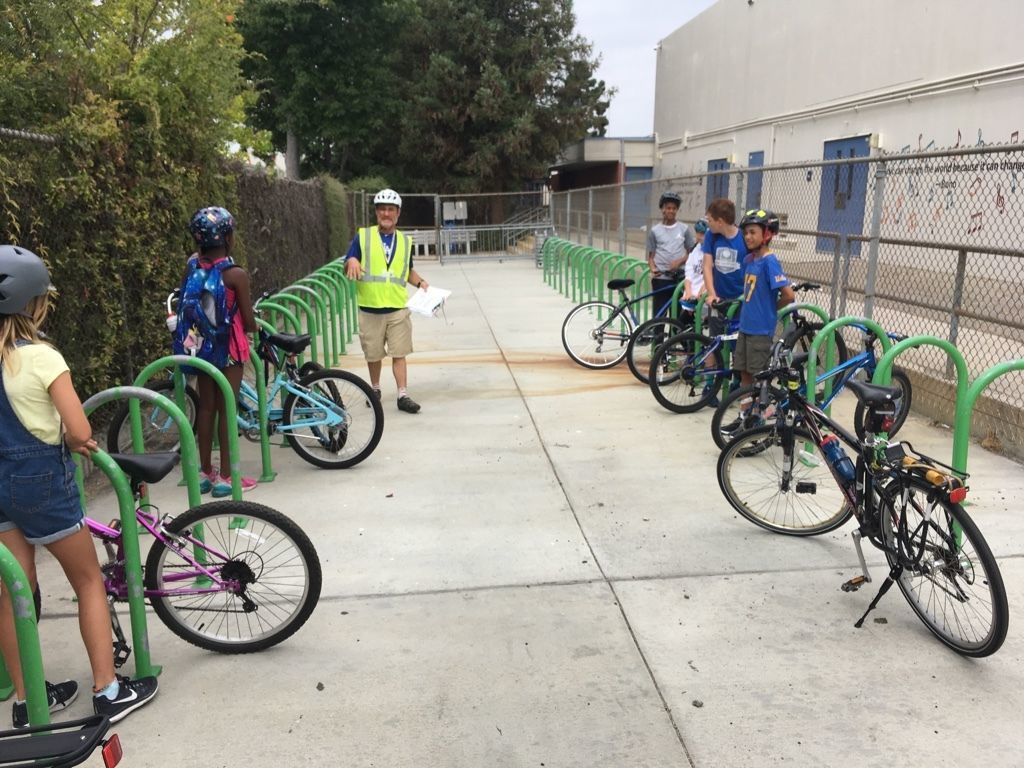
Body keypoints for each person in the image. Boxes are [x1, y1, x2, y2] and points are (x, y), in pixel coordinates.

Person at [0, 244, 158, 727]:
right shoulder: (42, 358)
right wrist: (73, 440)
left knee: (13, 592)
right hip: (41, 482)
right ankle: (108, 690)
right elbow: (80, 429)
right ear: (33, 303)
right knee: (88, 581)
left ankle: (29, 702)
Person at [174, 207, 258, 496]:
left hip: (200, 348)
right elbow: (247, 319)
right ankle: (226, 476)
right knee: (227, 409)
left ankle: (204, 472)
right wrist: (254, 327)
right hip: (229, 349)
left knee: (207, 407)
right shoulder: (236, 275)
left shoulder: (192, 266)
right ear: (228, 238)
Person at [344, 189, 429, 414]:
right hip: (370, 307)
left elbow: (406, 271)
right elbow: (350, 259)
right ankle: (375, 389)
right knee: (373, 354)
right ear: (376, 212)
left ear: (398, 213)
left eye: (391, 209)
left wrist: (420, 283)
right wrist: (352, 261)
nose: (386, 213)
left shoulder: (405, 241)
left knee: (399, 353)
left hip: (397, 307)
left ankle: (403, 395)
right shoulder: (363, 236)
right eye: (382, 209)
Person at [734, 208, 795, 392]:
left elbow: (789, 295)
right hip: (745, 326)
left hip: (760, 331)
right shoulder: (750, 259)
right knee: (744, 373)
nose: (748, 236)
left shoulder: (769, 261)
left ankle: (760, 408)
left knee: (758, 376)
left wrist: (771, 308)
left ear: (767, 234)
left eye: (753, 232)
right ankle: (745, 408)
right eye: (746, 232)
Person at [700, 197, 748, 336]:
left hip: (740, 299)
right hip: (719, 299)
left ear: (720, 222)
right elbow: (707, 266)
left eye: (710, 220)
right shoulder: (711, 236)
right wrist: (712, 294)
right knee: (716, 340)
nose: (708, 224)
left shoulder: (744, 238)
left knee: (736, 341)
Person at [646, 191, 696, 320]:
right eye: (668, 208)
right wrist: (653, 268)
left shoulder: (684, 229)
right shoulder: (654, 231)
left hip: (679, 279)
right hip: (661, 279)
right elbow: (651, 257)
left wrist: (679, 261)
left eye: (674, 208)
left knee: (678, 316)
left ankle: (676, 333)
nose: (671, 211)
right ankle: (658, 333)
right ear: (662, 209)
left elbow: (692, 253)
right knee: (659, 315)